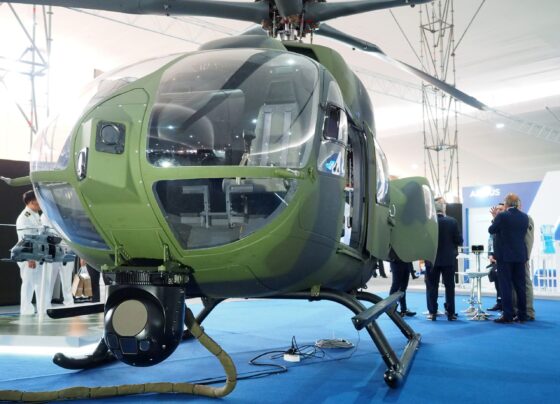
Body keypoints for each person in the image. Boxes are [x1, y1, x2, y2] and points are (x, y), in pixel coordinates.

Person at [488, 193, 529, 323]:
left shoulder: (502, 216)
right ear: (517, 203)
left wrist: (495, 218)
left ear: (506, 204)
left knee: (505, 286)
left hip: (505, 257)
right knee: (520, 286)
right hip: (520, 255)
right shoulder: (525, 217)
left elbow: (491, 230)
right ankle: (522, 315)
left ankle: (508, 315)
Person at [425, 198, 463, 321]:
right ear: (443, 210)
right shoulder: (452, 222)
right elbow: (459, 240)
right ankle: (450, 313)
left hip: (431, 259)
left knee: (432, 287)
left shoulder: (428, 222)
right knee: (449, 287)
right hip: (448, 260)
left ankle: (432, 312)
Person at [15, 190, 44, 315]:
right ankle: (26, 310)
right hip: (27, 255)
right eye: (38, 200)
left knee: (38, 284)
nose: (40, 203)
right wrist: (29, 258)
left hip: (37, 255)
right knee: (28, 284)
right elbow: (25, 239)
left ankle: (40, 308)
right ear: (32, 202)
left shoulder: (35, 214)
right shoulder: (24, 217)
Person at [40, 213, 74, 309]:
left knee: (67, 280)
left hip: (67, 250)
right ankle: (46, 305)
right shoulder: (45, 215)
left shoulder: (66, 214)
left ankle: (69, 304)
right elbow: (45, 234)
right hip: (53, 251)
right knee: (49, 280)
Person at [487, 203, 505, 311]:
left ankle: (506, 305)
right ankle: (499, 303)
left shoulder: (506, 222)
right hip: (495, 258)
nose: (498, 211)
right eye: (497, 209)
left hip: (504, 258)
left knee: (505, 283)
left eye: (501, 209)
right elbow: (490, 241)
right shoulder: (494, 224)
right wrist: (490, 255)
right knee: (497, 282)